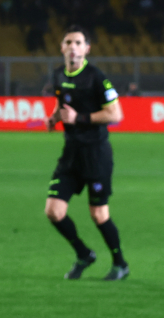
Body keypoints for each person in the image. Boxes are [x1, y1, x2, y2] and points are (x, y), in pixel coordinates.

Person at [44, 26, 129, 281]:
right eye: (68, 42)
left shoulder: (97, 78)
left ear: (86, 49)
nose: (73, 46)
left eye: (78, 42)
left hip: (96, 154)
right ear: (61, 47)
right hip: (71, 153)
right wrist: (55, 116)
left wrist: (79, 117)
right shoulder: (58, 74)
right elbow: (62, 101)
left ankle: (120, 264)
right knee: (53, 211)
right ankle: (84, 254)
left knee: (99, 214)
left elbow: (116, 114)